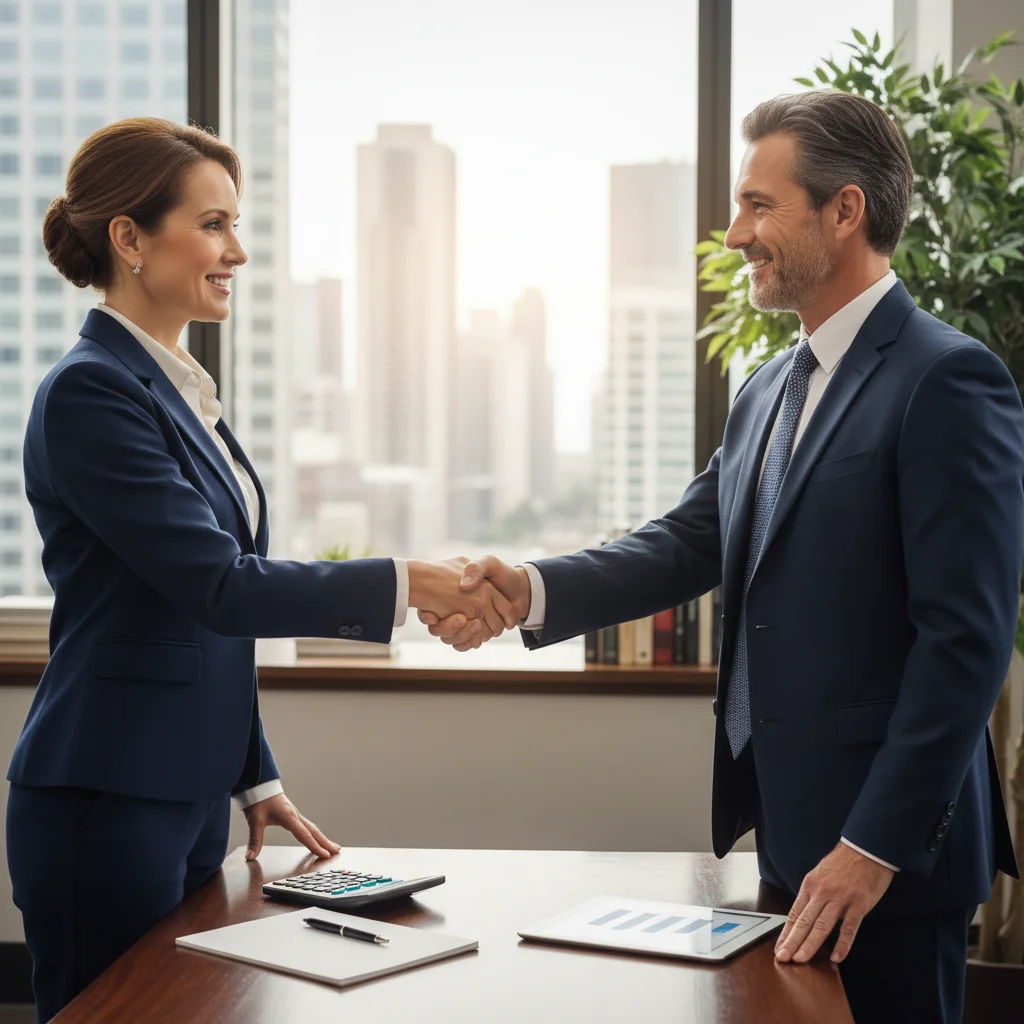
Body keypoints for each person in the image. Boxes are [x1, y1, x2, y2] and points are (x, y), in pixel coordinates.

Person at [420, 91, 1024, 1023]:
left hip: (887, 857)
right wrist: (529, 590)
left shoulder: (947, 379)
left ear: (846, 210)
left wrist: (873, 846)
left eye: (757, 205)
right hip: (786, 832)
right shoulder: (769, 387)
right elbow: (687, 540)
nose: (734, 232)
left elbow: (966, 642)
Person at [5, 118, 514, 1023]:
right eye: (212, 225)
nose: (235, 250)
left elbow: (199, 615)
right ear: (129, 238)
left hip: (186, 793)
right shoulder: (91, 392)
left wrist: (255, 777)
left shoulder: (178, 392)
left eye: (235, 225)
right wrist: (409, 582)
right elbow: (221, 586)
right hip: (108, 794)